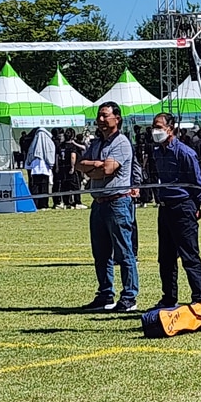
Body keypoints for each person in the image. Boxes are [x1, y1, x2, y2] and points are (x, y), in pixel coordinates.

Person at [76, 102, 139, 312]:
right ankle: (105, 295)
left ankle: (129, 297)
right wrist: (96, 166)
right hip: (99, 203)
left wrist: (94, 167)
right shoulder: (96, 144)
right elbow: (80, 165)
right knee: (101, 254)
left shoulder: (121, 143)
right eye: (99, 116)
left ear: (117, 118)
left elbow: (108, 169)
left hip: (118, 203)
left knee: (124, 252)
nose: (100, 120)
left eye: (105, 116)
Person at [146, 113, 201, 309]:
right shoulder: (157, 152)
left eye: (158, 127)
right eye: (153, 126)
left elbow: (197, 184)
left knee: (189, 255)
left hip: (183, 207)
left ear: (170, 129)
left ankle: (198, 298)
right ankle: (169, 297)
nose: (155, 131)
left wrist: (195, 207)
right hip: (165, 208)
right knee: (165, 257)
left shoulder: (184, 152)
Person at [25, 126, 56, 210]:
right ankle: (43, 204)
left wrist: (29, 163)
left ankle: (36, 203)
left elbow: (30, 153)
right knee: (44, 186)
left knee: (35, 185)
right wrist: (51, 163)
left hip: (35, 166)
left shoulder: (34, 140)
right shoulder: (48, 140)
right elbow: (50, 152)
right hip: (44, 167)